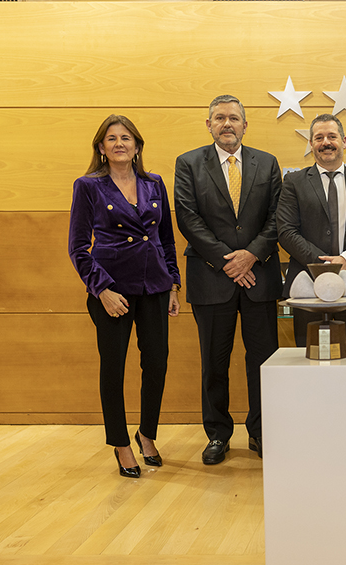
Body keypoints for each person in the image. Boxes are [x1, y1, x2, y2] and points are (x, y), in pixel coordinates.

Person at [68, 114, 181, 478]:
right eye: (112, 138)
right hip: (113, 291)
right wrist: (101, 289)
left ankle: (147, 433)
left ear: (137, 146)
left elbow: (165, 238)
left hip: (154, 287)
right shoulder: (88, 186)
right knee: (113, 368)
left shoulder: (154, 183)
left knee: (158, 364)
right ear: (101, 148)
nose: (120, 143)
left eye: (126, 138)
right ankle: (120, 444)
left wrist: (174, 284)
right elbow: (78, 248)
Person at [174, 95, 283, 465]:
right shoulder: (188, 163)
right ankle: (218, 434)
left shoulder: (267, 163)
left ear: (245, 125)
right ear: (209, 124)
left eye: (234, 118)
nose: (227, 124)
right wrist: (229, 262)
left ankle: (261, 431)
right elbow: (188, 219)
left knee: (263, 362)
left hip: (260, 278)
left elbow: (276, 217)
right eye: (219, 118)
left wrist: (251, 255)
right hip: (211, 279)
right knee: (214, 364)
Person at [277, 113, 346, 347]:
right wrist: (323, 266)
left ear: (344, 141)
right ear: (311, 144)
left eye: (332, 136)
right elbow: (286, 231)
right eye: (318, 137)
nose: (326, 142)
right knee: (310, 362)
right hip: (307, 289)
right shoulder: (293, 182)